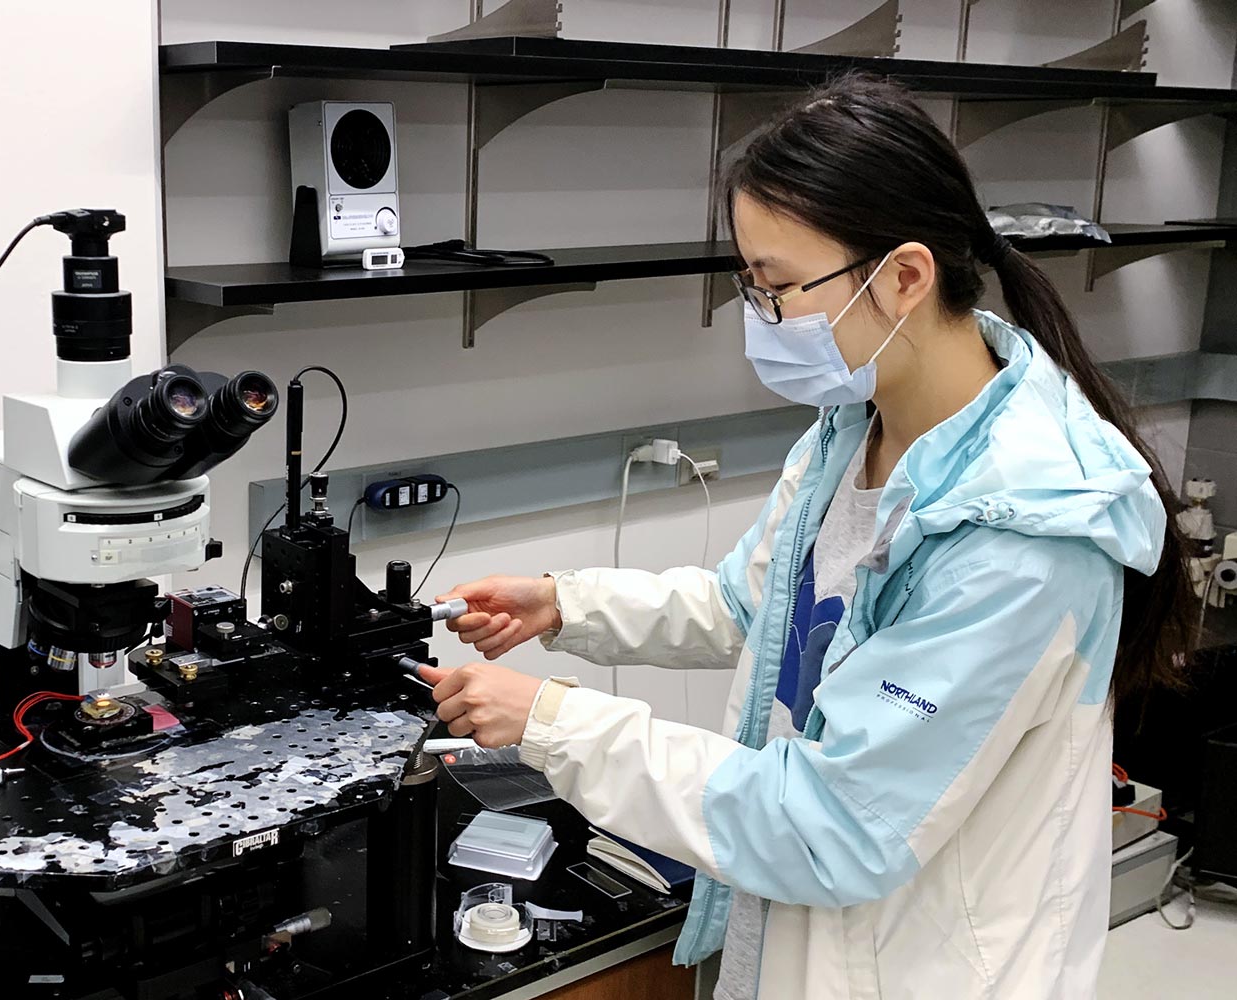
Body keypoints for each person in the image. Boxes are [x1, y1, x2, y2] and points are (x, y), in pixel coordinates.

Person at [413, 75, 1190, 1000]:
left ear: (904, 277)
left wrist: (554, 723)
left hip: (917, 967)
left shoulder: (1023, 534)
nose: (763, 317)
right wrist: (565, 605)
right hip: (792, 929)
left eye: (778, 285)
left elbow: (836, 826)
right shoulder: (855, 425)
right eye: (752, 284)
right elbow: (760, 604)